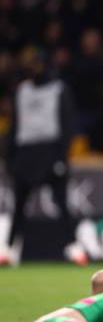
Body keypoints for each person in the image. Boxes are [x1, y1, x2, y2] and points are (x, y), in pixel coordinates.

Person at [2, 49, 86, 266]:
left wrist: (61, 156)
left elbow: (67, 125)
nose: (35, 70)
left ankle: (73, 248)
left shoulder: (59, 89)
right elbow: (15, 126)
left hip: (50, 151)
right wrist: (10, 157)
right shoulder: (21, 91)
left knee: (61, 203)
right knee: (19, 205)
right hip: (26, 152)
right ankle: (10, 249)